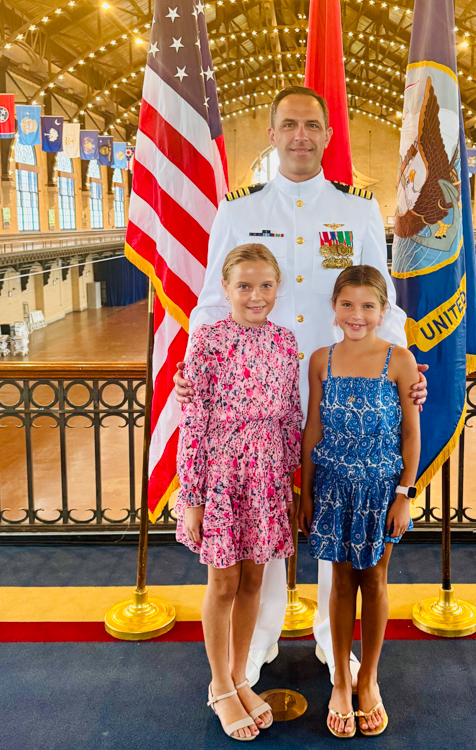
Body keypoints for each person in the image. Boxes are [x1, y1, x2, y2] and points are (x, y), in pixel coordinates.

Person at [173, 85, 428, 688]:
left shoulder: (358, 211)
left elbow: (382, 300)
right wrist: (191, 369)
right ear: (272, 134)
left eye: (312, 125)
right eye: (289, 124)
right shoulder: (237, 212)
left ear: (328, 136)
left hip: (338, 385)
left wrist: (405, 368)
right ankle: (257, 640)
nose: (301, 136)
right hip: (255, 392)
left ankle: (330, 640)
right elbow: (212, 300)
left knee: (336, 509)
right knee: (258, 516)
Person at [176, 244, 302, 741]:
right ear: (226, 289)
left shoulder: (285, 341)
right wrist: (192, 496)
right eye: (244, 285)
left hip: (267, 474)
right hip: (222, 473)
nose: (256, 295)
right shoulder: (207, 340)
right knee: (223, 582)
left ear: (278, 288)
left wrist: (289, 481)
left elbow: (291, 414)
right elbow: (194, 420)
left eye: (265, 285)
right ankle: (219, 685)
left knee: (254, 580)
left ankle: (239, 676)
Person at [299, 266, 420, 738]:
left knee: (374, 579)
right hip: (332, 487)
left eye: (368, 306)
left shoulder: (400, 360)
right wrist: (306, 493)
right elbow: (313, 428)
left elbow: (410, 434)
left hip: (381, 489)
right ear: (334, 308)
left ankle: (367, 679)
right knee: (340, 581)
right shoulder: (321, 360)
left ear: (383, 311)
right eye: (347, 304)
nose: (357, 314)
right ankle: (339, 681)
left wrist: (404, 494)